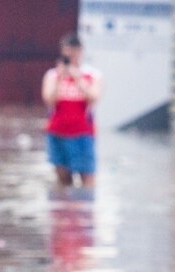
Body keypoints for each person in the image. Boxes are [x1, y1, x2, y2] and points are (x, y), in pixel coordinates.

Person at [42, 33, 102, 188]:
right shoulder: (53, 75)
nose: (69, 55)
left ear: (80, 51)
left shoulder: (92, 74)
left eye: (72, 51)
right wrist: (61, 78)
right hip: (57, 132)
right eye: (66, 51)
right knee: (63, 180)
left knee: (88, 179)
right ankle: (63, 209)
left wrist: (77, 77)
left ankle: (86, 210)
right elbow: (49, 99)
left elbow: (94, 98)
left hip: (83, 133)